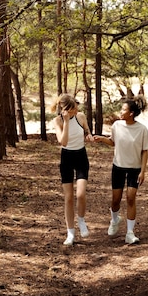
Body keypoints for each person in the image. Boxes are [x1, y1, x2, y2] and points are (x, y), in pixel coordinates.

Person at [94, 97, 148, 244]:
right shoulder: (117, 125)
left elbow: (145, 151)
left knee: (131, 197)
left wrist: (143, 171)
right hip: (118, 167)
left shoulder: (142, 129)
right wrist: (101, 139)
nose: (121, 112)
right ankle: (115, 220)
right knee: (115, 200)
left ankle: (130, 233)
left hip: (135, 169)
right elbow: (113, 142)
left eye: (124, 109)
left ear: (131, 113)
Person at [52, 94, 95, 246]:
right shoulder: (58, 121)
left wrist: (89, 135)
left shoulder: (81, 116)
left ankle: (81, 220)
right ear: (65, 110)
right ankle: (70, 232)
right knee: (69, 197)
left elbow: (86, 131)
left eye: (77, 108)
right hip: (67, 158)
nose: (76, 111)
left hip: (81, 156)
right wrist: (66, 122)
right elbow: (63, 142)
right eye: (73, 110)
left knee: (81, 194)